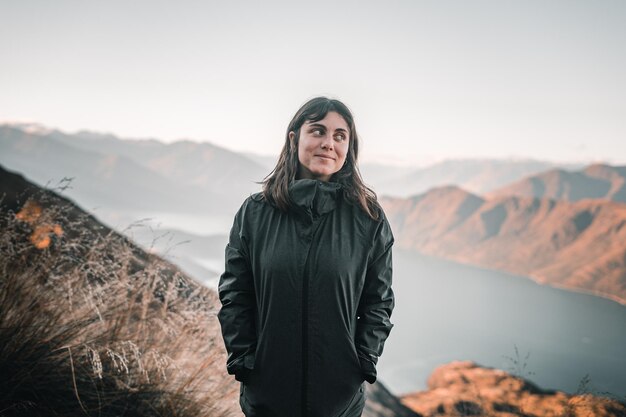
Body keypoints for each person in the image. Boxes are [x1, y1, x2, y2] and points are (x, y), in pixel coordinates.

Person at [217, 97, 395, 417]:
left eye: (340, 136)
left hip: (338, 401)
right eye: (318, 131)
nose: (329, 143)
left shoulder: (368, 219)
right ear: (294, 138)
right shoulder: (255, 213)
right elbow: (235, 293)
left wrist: (363, 362)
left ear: (348, 148)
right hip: (267, 396)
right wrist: (243, 360)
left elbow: (378, 301)